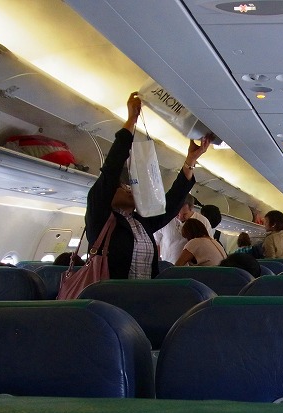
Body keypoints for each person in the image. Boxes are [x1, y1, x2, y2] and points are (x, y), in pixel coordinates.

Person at [85, 92, 211, 279]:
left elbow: (172, 203)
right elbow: (111, 169)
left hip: (143, 295)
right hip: (109, 294)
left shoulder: (140, 222)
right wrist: (131, 121)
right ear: (109, 193)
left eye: (130, 186)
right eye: (123, 187)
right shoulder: (100, 217)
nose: (129, 189)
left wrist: (190, 161)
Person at [154, 194, 212, 263]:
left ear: (191, 208)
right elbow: (156, 242)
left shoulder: (202, 221)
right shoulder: (166, 219)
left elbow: (208, 245)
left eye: (185, 214)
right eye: (177, 214)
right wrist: (157, 262)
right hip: (168, 264)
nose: (180, 217)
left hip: (192, 267)